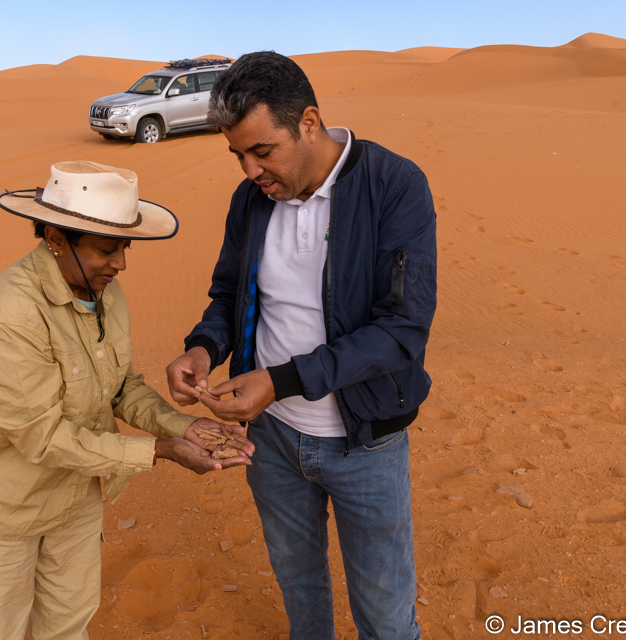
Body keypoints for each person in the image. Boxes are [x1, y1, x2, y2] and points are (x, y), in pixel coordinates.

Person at [166, 52, 437, 640]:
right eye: (237, 155)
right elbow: (229, 294)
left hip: (365, 443)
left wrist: (280, 380)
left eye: (262, 151)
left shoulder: (395, 186)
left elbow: (402, 329)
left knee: (386, 617)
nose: (250, 170)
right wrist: (204, 348)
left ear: (308, 123)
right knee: (300, 590)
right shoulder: (251, 200)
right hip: (271, 441)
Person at [0, 161, 254, 640]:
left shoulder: (105, 294)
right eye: (106, 250)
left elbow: (119, 386)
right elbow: (41, 437)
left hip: (76, 499)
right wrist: (160, 451)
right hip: (6, 512)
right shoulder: (10, 312)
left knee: (67, 628)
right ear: (55, 238)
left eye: (125, 248)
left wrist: (182, 426)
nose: (120, 264)